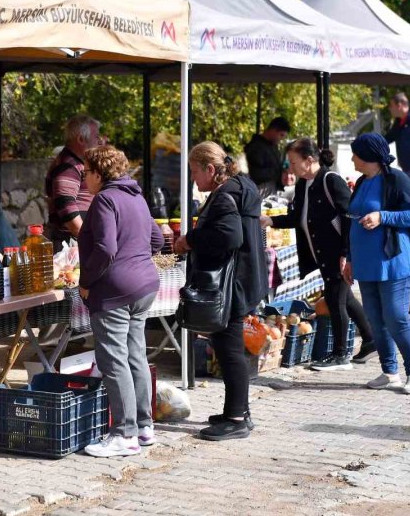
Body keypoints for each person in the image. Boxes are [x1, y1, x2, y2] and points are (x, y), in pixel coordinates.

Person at [173, 142, 267, 440]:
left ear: (211, 170)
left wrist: (191, 240)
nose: (193, 178)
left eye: (194, 171)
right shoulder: (240, 187)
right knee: (230, 349)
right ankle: (239, 410)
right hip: (243, 279)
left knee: (229, 351)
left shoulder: (225, 196)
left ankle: (236, 419)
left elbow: (229, 236)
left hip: (232, 285)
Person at [77, 145, 163, 457]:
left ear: (99, 174)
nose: (84, 178)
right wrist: (136, 261)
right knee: (135, 354)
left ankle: (123, 434)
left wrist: (86, 282)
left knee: (114, 359)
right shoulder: (135, 196)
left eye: (86, 172)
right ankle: (143, 427)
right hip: (144, 286)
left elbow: (105, 249)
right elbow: (157, 239)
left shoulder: (104, 199)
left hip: (114, 290)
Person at [268, 138, 376, 370]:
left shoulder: (331, 180)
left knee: (336, 300)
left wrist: (347, 252)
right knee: (344, 298)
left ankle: (340, 355)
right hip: (319, 253)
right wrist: (269, 220)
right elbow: (297, 217)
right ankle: (370, 340)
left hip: (336, 253)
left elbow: (350, 218)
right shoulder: (302, 185)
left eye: (294, 162)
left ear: (309, 160)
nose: (291, 167)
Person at [343, 133, 410, 395]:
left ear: (369, 156)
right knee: (376, 319)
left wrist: (382, 216)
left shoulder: (396, 179)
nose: (352, 158)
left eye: (356, 154)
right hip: (367, 264)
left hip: (395, 262)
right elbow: (352, 220)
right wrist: (350, 259)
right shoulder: (362, 181)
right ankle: (389, 372)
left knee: (396, 316)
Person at [45, 115, 105, 250]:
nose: (100, 141)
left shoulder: (76, 163)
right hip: (70, 244)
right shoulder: (67, 166)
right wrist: (89, 241)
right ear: (81, 139)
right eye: (96, 136)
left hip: (75, 241)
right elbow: (67, 208)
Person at [244, 117, 291, 197]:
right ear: (273, 130)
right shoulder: (256, 147)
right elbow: (256, 173)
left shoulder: (273, 146)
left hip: (271, 190)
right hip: (260, 191)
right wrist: (278, 171)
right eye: (281, 135)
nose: (281, 139)